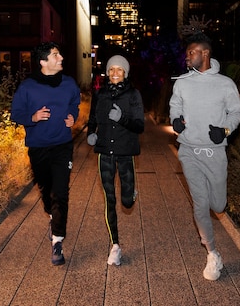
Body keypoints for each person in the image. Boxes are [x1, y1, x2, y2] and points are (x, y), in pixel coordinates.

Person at [168, 32, 240, 281]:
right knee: (200, 204)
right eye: (187, 53)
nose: (187, 56)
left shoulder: (225, 84)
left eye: (192, 52)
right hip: (189, 150)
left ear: (205, 53)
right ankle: (212, 253)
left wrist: (225, 130)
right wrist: (176, 120)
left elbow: (235, 113)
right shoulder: (182, 83)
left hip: (215, 153)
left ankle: (212, 239)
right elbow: (175, 105)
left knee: (218, 205)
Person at [10, 42, 81, 266]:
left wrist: (72, 116)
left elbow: (74, 104)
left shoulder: (69, 83)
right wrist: (32, 118)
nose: (60, 58)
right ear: (43, 62)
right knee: (46, 190)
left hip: (62, 145)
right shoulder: (28, 87)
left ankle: (57, 241)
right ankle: (52, 216)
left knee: (60, 192)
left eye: (59, 53)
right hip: (38, 146)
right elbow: (16, 113)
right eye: (55, 55)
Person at [86, 55, 144, 266]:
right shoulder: (100, 94)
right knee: (109, 198)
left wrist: (122, 119)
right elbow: (92, 118)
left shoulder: (133, 95)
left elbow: (140, 126)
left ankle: (131, 194)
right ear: (108, 72)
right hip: (105, 152)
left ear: (125, 73)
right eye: (112, 69)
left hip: (126, 151)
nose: (115, 73)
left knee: (126, 202)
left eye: (119, 69)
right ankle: (115, 245)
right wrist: (91, 132)